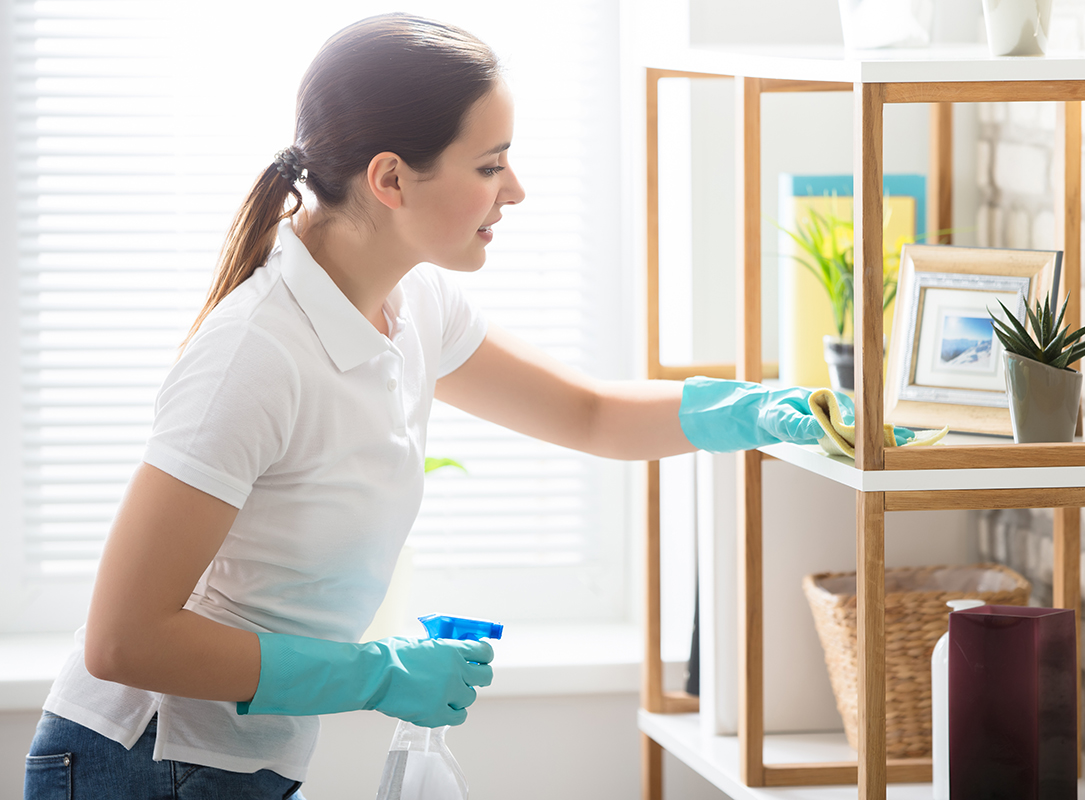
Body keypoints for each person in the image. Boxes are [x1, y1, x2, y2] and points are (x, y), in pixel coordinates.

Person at [23, 13, 852, 800]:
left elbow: (590, 414)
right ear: (389, 178)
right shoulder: (256, 354)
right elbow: (125, 638)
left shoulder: (412, 305)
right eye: (490, 166)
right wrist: (376, 674)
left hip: (231, 761)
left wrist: (752, 409)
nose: (516, 191)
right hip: (139, 756)